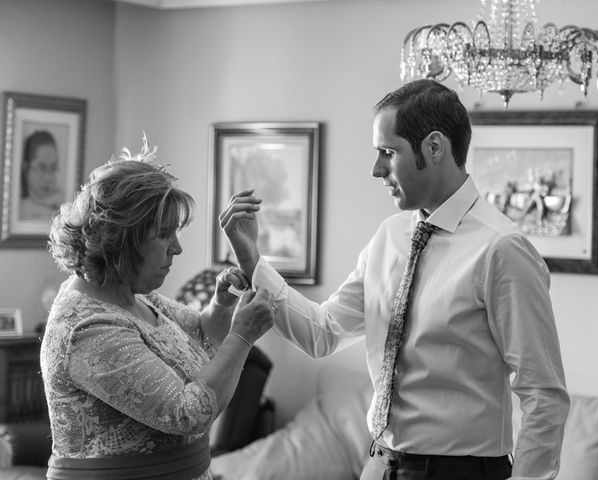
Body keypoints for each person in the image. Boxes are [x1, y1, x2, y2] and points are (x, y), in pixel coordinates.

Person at [220, 79, 570, 480]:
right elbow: (323, 332)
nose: (376, 170)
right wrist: (251, 259)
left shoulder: (502, 249)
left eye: (388, 152)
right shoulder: (389, 236)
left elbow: (544, 395)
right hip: (379, 466)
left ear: (434, 147)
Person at [41, 135, 275, 480]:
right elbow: (187, 413)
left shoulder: (133, 294)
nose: (177, 248)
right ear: (124, 238)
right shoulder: (86, 328)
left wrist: (222, 303)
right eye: (165, 235)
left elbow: (198, 336)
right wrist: (242, 335)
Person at [20, 129, 63, 219]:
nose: (48, 177)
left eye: (53, 167)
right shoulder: (21, 208)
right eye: (41, 167)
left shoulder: (62, 204)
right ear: (26, 168)